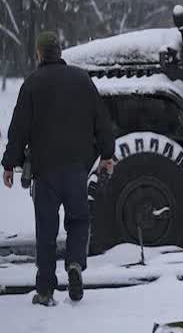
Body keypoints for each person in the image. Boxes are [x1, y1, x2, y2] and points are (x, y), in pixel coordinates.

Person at [1, 32, 115, 306]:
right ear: (60, 52)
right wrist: (107, 155)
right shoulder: (82, 80)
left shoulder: (31, 84)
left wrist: (9, 163)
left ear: (39, 55)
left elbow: (19, 129)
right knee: (78, 220)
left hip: (44, 170)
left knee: (46, 230)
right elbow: (102, 121)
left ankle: (45, 291)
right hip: (77, 167)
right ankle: (75, 263)